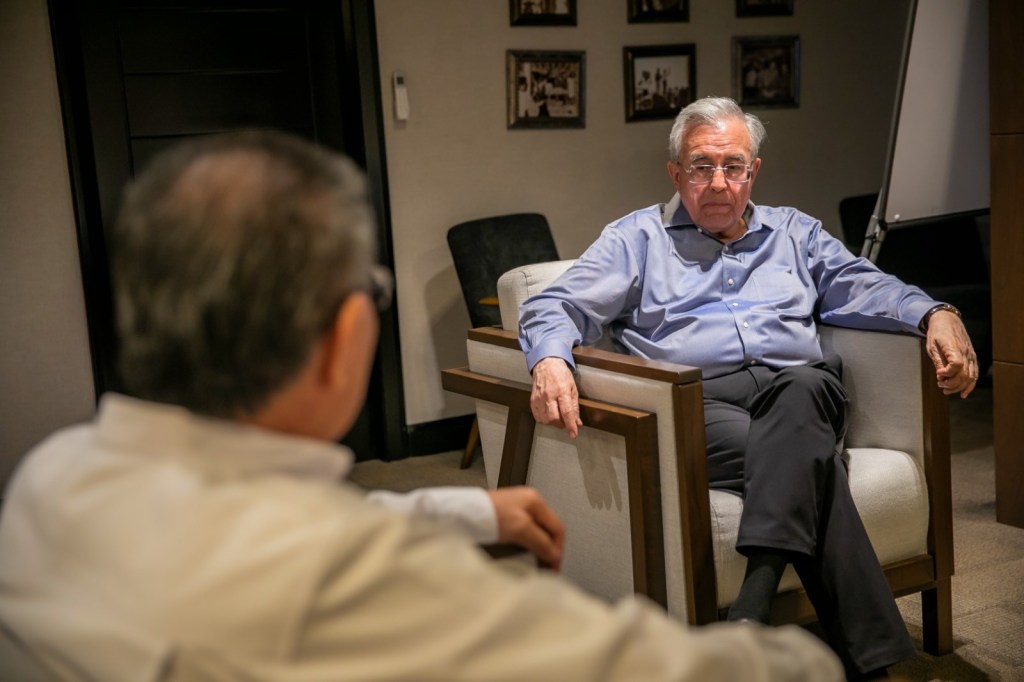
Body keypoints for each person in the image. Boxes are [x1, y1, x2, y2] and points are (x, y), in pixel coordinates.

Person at [0, 131, 843, 680]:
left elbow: (249, 527)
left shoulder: (50, 478)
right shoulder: (364, 586)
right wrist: (802, 662)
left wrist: (463, 510)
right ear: (342, 336)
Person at [520, 96, 978, 680]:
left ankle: (751, 610)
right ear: (675, 173)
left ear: (753, 171)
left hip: (801, 391)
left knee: (804, 392)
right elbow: (554, 305)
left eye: (732, 166)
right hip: (700, 404)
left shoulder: (794, 232)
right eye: (701, 166)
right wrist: (551, 359)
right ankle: (868, 663)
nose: (718, 182)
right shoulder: (636, 239)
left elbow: (864, 284)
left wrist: (934, 312)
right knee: (811, 461)